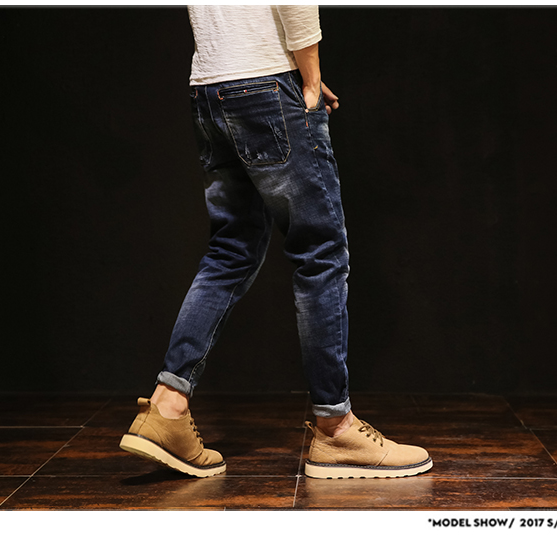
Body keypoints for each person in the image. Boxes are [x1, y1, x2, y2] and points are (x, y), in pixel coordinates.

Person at [119, 5, 432, 479]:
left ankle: (167, 407)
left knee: (230, 252)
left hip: (210, 88)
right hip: (266, 82)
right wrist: (309, 78)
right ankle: (336, 428)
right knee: (321, 254)